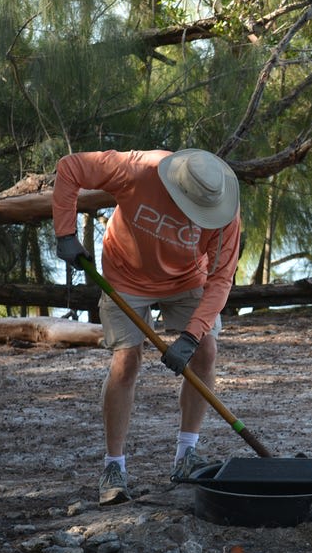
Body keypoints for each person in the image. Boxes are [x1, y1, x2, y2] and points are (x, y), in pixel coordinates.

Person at [52, 148, 241, 506]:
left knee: (206, 350)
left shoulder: (224, 209)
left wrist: (191, 334)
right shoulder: (138, 170)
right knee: (127, 361)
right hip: (126, 274)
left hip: (187, 277)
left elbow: (221, 279)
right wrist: (65, 233)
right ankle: (114, 466)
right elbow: (70, 168)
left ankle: (187, 455)